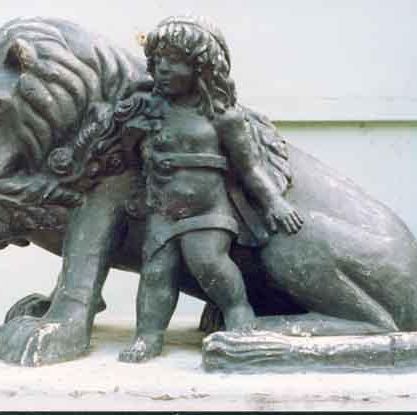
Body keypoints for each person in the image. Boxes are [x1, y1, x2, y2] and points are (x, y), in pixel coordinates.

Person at [117, 15, 303, 362]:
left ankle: (239, 317)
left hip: (208, 210)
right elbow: (133, 157)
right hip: (162, 209)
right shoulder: (151, 110)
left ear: (202, 67)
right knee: (156, 272)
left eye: (175, 60)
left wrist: (274, 202)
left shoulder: (223, 117)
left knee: (209, 264)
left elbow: (249, 168)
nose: (163, 68)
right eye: (158, 59)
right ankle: (148, 335)